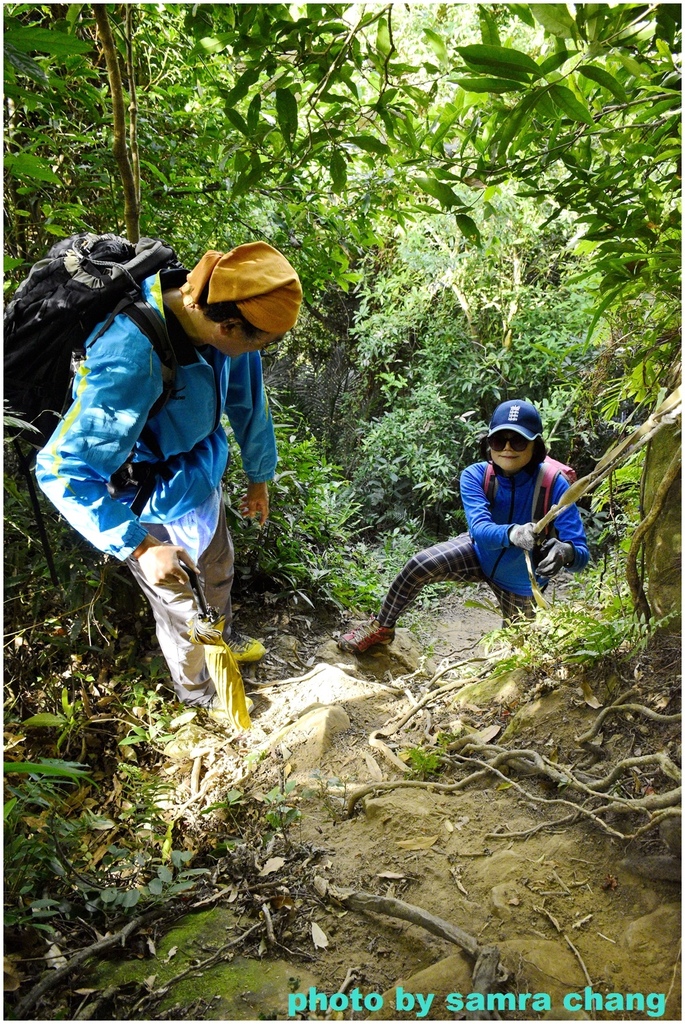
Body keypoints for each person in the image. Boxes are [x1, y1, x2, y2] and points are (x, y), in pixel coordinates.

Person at [36, 241, 302, 707]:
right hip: (149, 506)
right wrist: (139, 546)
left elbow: (248, 400)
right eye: (260, 343)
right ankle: (197, 693)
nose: (259, 353)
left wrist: (258, 477)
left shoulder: (227, 325)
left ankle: (219, 645)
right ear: (229, 325)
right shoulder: (129, 357)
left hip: (202, 482)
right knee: (181, 609)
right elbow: (60, 470)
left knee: (217, 572)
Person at [338, 399, 589, 653]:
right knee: (420, 565)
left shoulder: (554, 484)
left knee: (516, 651)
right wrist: (514, 532)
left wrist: (566, 552)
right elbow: (480, 530)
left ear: (536, 445)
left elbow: (581, 555)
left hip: (522, 583)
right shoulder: (476, 475)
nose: (508, 448)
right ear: (488, 444)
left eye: (519, 441)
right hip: (478, 554)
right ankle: (382, 627)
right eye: (499, 440)